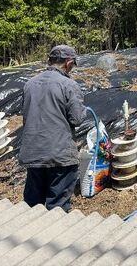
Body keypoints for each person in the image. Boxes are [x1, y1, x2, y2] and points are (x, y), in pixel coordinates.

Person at [19, 44, 86, 212]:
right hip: (59, 154)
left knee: (33, 205)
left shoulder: (30, 84)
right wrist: (83, 109)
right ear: (68, 63)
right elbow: (77, 119)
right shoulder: (69, 85)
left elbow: (25, 119)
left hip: (33, 153)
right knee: (57, 208)